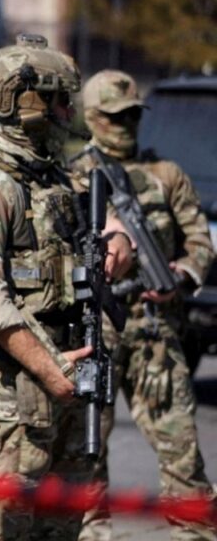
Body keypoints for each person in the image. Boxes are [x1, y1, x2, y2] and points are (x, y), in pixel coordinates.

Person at [0, 35, 133, 539]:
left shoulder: (56, 178)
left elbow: (112, 227)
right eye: (61, 99)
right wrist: (50, 368)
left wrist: (118, 242)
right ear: (27, 102)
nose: (70, 111)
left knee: (63, 527)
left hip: (70, 380)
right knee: (1, 526)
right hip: (15, 394)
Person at [69, 70, 216, 541]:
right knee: (87, 453)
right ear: (91, 117)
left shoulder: (167, 174)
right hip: (96, 334)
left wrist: (179, 277)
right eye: (116, 116)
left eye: (133, 114)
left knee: (181, 450)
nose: (127, 123)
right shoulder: (72, 176)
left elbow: (199, 242)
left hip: (155, 332)